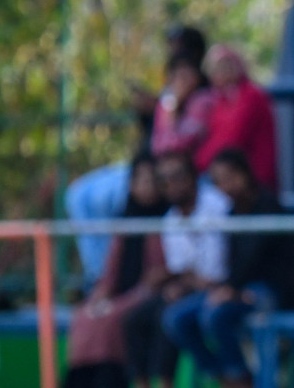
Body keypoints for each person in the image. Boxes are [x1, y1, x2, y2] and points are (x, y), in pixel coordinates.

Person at [65, 25, 206, 286]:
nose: (172, 51)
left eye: (177, 44)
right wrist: (148, 111)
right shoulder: (169, 94)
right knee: (78, 195)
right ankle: (98, 277)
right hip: (145, 164)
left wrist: (168, 107)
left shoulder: (202, 96)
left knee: (125, 198)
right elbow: (152, 139)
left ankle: (110, 281)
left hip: (182, 170)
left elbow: (177, 145)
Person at [162, 149, 294, 388]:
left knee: (215, 315)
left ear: (244, 175)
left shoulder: (268, 206)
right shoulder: (231, 212)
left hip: (267, 290)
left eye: (228, 177)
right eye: (218, 180)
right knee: (176, 318)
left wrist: (235, 290)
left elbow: (259, 259)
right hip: (234, 289)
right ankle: (230, 384)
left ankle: (246, 385)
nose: (225, 186)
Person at [61, 155, 169, 388]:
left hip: (147, 294)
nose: (147, 186)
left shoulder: (168, 220)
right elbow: (111, 272)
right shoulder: (125, 222)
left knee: (111, 320)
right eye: (141, 180)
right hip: (121, 295)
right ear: (131, 185)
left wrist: (121, 301)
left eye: (153, 180)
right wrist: (100, 296)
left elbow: (158, 276)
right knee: (86, 316)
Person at [130, 150, 230, 388]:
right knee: (133, 318)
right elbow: (182, 270)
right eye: (164, 179)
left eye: (177, 176)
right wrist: (175, 281)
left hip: (224, 288)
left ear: (193, 177)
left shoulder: (218, 206)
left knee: (172, 316)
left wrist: (183, 281)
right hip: (192, 288)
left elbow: (214, 273)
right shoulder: (171, 220)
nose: (171, 185)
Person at [194, 45, 279, 189]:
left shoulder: (251, 96)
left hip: (254, 181)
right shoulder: (222, 100)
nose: (218, 73)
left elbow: (232, 139)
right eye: (215, 69)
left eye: (225, 67)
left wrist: (198, 163)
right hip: (226, 176)